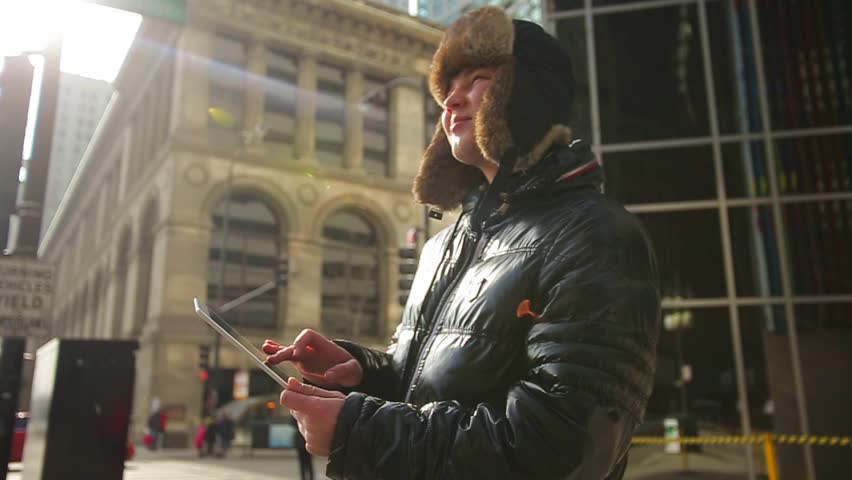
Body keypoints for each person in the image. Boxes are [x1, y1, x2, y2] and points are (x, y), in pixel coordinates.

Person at [263, 6, 660, 479]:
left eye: (478, 80)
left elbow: (560, 445)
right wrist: (363, 371)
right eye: (448, 86)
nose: (452, 100)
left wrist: (361, 430)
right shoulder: (443, 246)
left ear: (527, 94)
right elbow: (425, 389)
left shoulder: (596, 235)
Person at [291, 414, 314, 480]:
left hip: (301, 440)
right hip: (306, 438)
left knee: (302, 462)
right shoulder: (307, 413)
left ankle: (304, 477)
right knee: (308, 461)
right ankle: (310, 477)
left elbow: (292, 423)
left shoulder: (295, 414)